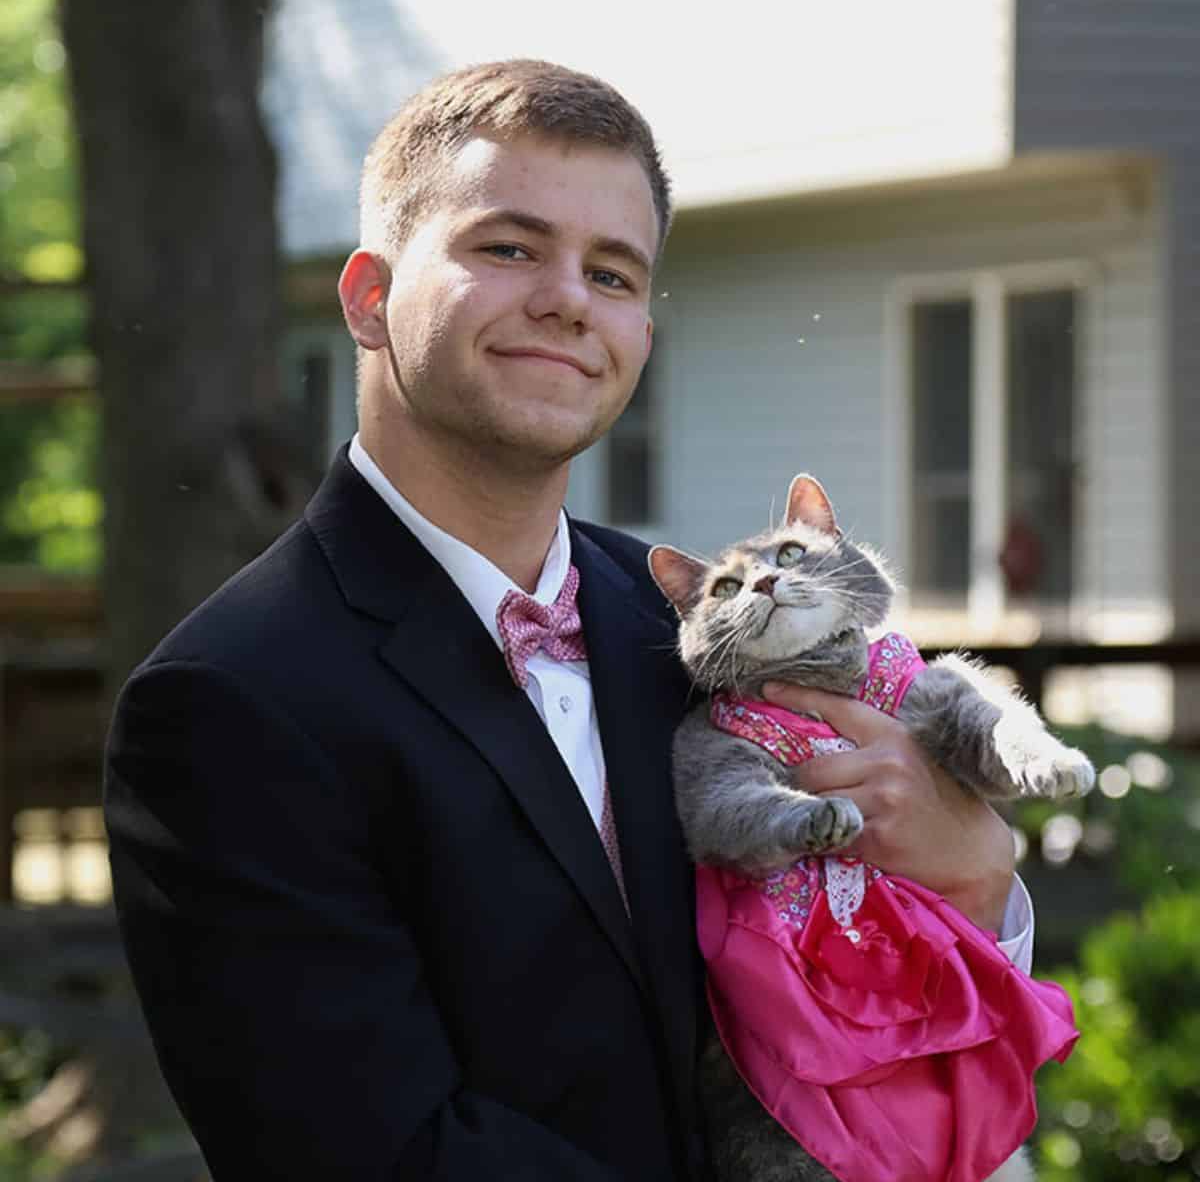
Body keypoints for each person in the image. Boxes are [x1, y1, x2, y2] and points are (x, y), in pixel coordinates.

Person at [104, 59, 1031, 1181]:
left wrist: (977, 886)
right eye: (508, 248)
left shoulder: (698, 631)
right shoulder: (227, 700)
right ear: (366, 297)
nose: (568, 299)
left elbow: (850, 1008)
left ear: (642, 332)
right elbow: (373, 1152)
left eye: (613, 272)